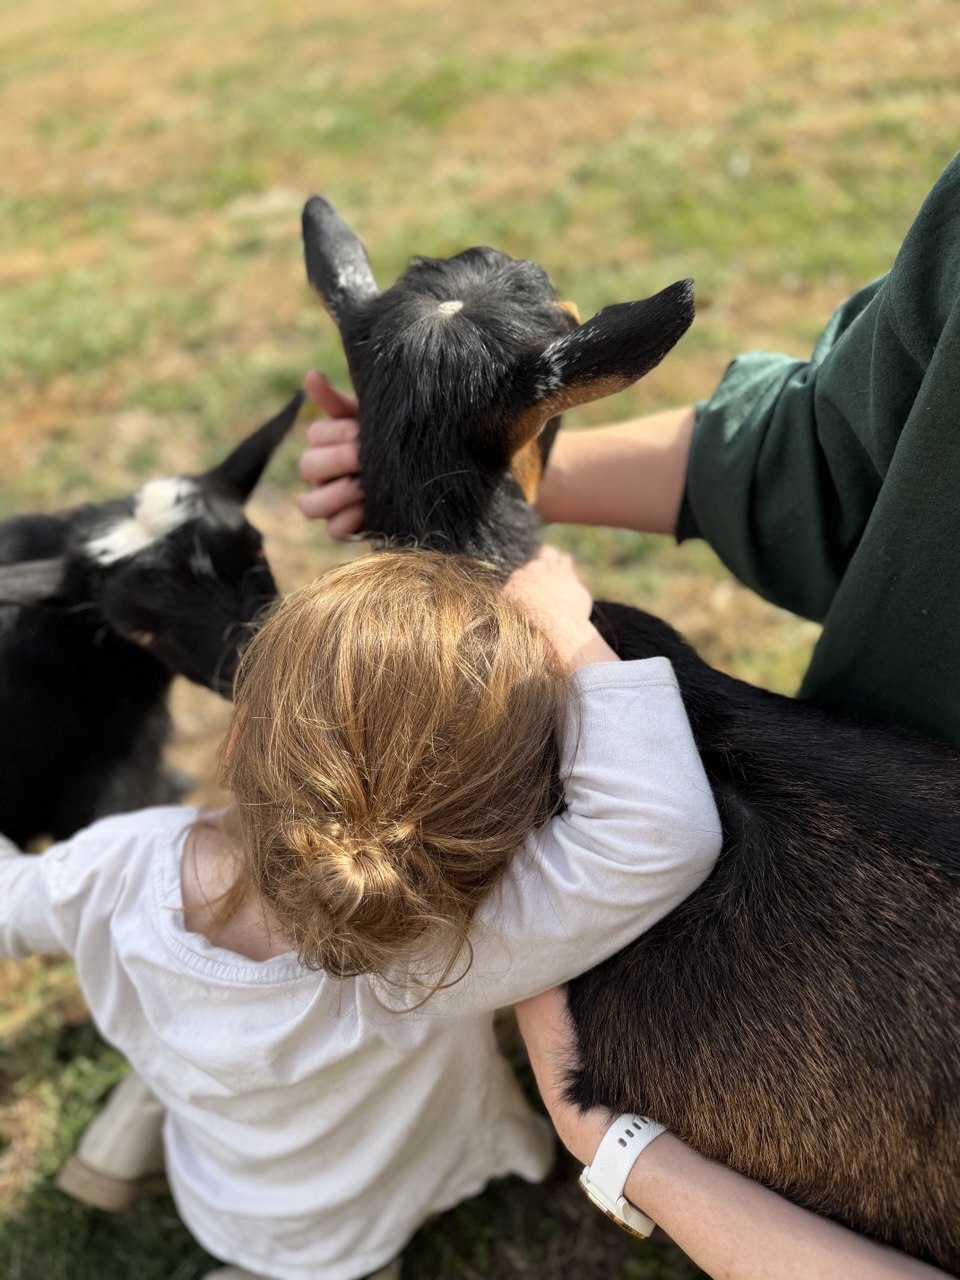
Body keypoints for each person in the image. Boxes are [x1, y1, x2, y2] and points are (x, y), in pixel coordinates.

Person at [296, 154, 960, 1275]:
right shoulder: (607, 653)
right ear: (583, 374)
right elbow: (844, 450)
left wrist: (614, 1143)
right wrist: (484, 461)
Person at [2, 546, 722, 1280]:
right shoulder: (454, 942)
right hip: (362, 1226)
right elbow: (663, 829)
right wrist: (570, 631)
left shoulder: (114, 868)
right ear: (504, 820)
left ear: (239, 732)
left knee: (183, 1076)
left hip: (220, 1192)